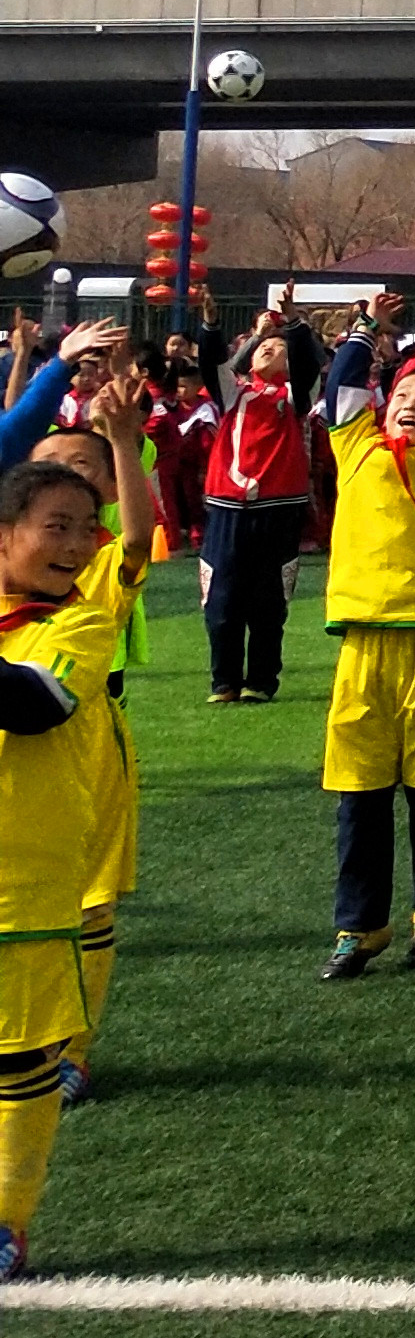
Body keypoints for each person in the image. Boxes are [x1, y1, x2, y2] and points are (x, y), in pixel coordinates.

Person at [315, 296, 415, 979]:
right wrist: (365, 330)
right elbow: (342, 387)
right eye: (403, 393)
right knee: (360, 793)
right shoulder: (357, 448)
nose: (411, 402)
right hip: (363, 645)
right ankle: (359, 928)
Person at [0, 460, 129, 1275]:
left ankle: (6, 1218)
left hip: (24, 875)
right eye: (57, 525)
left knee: (17, 1055)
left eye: (87, 528)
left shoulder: (80, 626)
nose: (78, 546)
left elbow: (36, 705)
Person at [199, 297, 316, 704]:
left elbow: (309, 365)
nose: (270, 349)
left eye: (278, 348)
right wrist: (217, 326)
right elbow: (215, 364)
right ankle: (224, 682)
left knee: (269, 602)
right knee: (221, 599)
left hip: (279, 509)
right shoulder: (235, 393)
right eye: (265, 346)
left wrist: (294, 324)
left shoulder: (295, 396)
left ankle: (262, 681)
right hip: (228, 508)